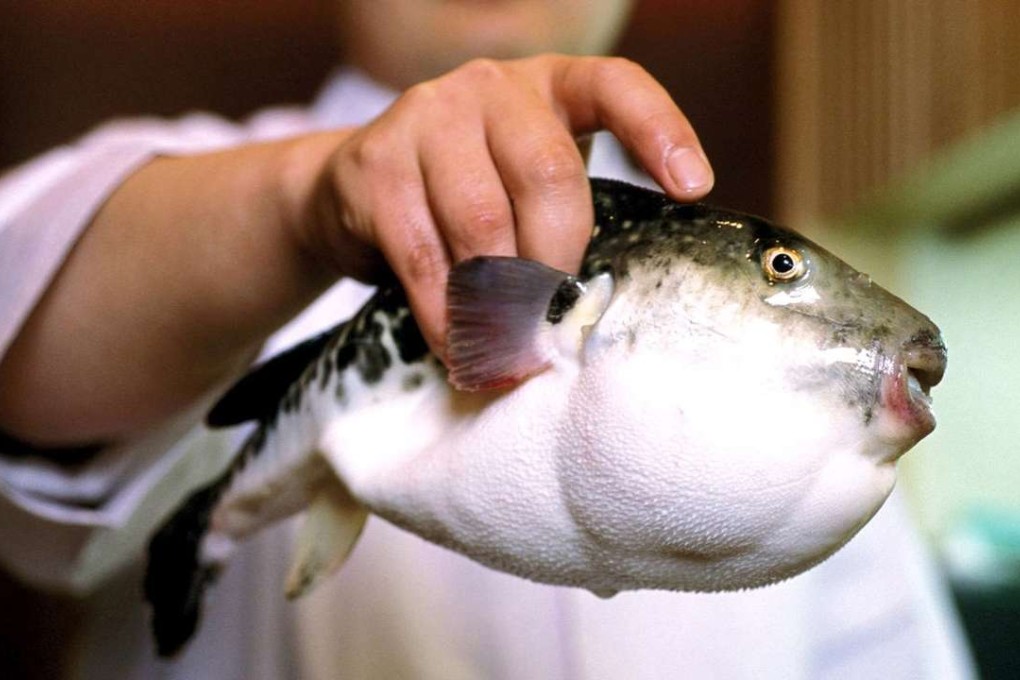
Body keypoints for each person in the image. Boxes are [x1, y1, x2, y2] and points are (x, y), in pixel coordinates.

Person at [0, 1, 975, 678]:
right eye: (779, 272)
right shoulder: (174, 182)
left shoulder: (803, 408)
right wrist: (299, 201)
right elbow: (25, 338)